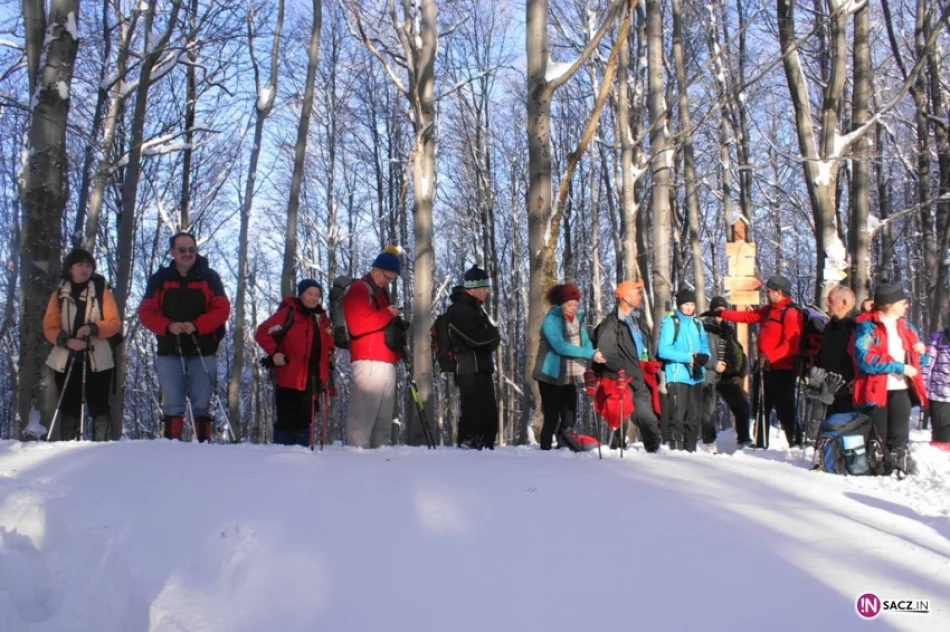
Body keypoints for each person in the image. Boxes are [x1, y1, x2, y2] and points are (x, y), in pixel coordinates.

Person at [138, 232, 230, 442]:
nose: (187, 254)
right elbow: (146, 312)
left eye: (191, 250)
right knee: (172, 404)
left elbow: (222, 309)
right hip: (170, 350)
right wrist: (168, 326)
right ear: (172, 252)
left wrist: (197, 326)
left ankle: (204, 446)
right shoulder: (159, 279)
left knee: (202, 404)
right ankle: (172, 447)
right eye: (182, 250)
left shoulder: (209, 277)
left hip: (203, 348)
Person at [43, 248, 122, 441]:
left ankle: (101, 445)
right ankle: (69, 446)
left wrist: (93, 328)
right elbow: (49, 326)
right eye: (79, 265)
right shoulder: (59, 294)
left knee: (98, 405)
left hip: (98, 356)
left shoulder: (102, 291)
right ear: (70, 268)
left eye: (88, 265)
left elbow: (114, 323)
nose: (84, 269)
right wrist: (67, 340)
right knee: (69, 405)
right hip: (66, 357)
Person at [716, 274, 804, 447]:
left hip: (782, 369)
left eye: (769, 290)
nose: (767, 293)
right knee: (761, 406)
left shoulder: (790, 313)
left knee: (784, 408)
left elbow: (790, 345)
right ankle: (761, 442)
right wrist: (723, 314)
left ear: (779, 293)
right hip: (765, 367)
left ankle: (795, 443)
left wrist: (769, 357)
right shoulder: (769, 309)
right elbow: (749, 317)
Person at [853, 283, 928, 472]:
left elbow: (918, 365)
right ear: (889, 304)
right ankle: (879, 468)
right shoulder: (867, 327)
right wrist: (898, 366)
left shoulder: (907, 328)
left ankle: (899, 464)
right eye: (903, 302)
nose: (907, 305)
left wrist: (922, 353)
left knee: (900, 434)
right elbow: (865, 359)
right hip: (877, 389)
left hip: (901, 389)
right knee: (880, 435)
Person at [256, 279, 335, 447]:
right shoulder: (289, 313)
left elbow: (327, 346)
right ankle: (281, 457)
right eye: (309, 294)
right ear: (301, 295)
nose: (313, 298)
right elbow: (262, 332)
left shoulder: (321, 318)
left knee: (305, 421)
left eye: (317, 295)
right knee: (287, 420)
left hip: (312, 379)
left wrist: (327, 364)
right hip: (288, 376)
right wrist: (274, 353)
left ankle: (302, 459)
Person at [343, 246, 404, 449]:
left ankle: (380, 464)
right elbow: (357, 325)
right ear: (376, 270)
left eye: (392, 279)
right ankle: (356, 461)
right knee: (362, 421)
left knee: (383, 423)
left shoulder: (381, 294)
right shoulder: (359, 289)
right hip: (368, 362)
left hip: (386, 361)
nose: (388, 282)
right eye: (387, 277)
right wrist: (387, 314)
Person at [592, 280, 662, 453]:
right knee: (620, 414)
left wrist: (652, 365)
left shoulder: (637, 321)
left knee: (647, 418)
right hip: (621, 378)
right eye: (636, 293)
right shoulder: (611, 324)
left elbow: (645, 348)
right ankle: (615, 451)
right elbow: (605, 352)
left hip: (640, 376)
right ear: (625, 297)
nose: (639, 296)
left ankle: (655, 454)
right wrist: (619, 371)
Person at [532, 283, 605, 451]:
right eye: (569, 304)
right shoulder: (551, 320)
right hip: (550, 375)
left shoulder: (577, 322)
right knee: (551, 417)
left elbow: (586, 343)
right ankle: (545, 450)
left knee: (569, 418)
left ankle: (565, 447)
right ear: (560, 304)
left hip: (570, 375)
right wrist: (589, 354)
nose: (573, 308)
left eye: (575, 305)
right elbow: (560, 346)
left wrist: (595, 354)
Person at [445, 266, 500, 450]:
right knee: (473, 414)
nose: (487, 291)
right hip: (468, 369)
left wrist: (489, 337)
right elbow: (475, 338)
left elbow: (493, 339)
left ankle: (485, 448)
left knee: (489, 416)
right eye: (484, 287)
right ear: (472, 288)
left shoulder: (478, 311)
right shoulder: (458, 310)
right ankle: (469, 450)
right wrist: (489, 336)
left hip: (483, 368)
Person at [657, 288, 710, 452]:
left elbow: (704, 346)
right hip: (677, 374)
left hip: (696, 376)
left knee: (694, 418)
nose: (689, 308)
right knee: (677, 416)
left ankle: (690, 451)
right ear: (679, 305)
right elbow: (663, 350)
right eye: (686, 304)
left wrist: (704, 357)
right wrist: (689, 358)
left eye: (692, 304)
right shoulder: (671, 322)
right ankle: (675, 452)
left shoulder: (697, 323)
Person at [701, 296, 751, 448]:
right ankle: (709, 442)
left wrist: (739, 373)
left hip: (726, 375)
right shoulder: (703, 327)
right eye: (717, 311)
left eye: (723, 311)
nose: (720, 314)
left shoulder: (728, 330)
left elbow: (739, 353)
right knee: (707, 409)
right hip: (708, 373)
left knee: (742, 406)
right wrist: (712, 365)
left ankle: (744, 440)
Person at [814, 285, 858, 415]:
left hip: (847, 391)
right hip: (828, 388)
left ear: (843, 303)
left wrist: (858, 378)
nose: (826, 303)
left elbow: (866, 357)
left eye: (830, 300)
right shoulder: (830, 325)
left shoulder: (856, 325)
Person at [923, 317, 950, 451]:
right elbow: (926, 367)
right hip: (941, 397)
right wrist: (922, 392)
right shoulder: (938, 339)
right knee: (942, 441)